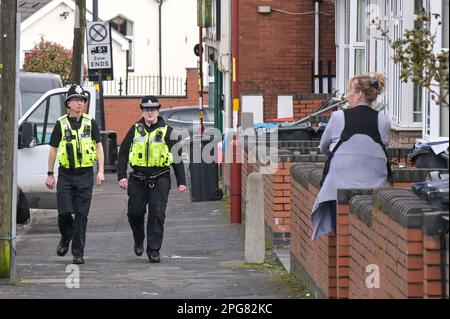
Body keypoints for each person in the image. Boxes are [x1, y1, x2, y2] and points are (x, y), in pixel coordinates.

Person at [311, 73, 392, 240]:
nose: (347, 94)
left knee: (342, 235)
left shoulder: (338, 117)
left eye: (350, 90)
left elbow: (324, 147)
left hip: (339, 188)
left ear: (359, 94)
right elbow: (381, 146)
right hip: (375, 187)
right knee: (369, 237)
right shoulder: (383, 120)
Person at [117, 95, 187, 263]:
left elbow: (176, 157)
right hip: (137, 178)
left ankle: (154, 249)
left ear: (158, 110)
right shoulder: (135, 129)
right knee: (134, 213)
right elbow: (123, 153)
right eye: (147, 110)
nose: (150, 112)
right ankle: (139, 238)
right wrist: (121, 176)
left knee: (157, 213)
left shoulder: (167, 131)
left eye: (153, 109)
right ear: (142, 111)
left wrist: (181, 181)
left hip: (160, 177)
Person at [45, 84, 105, 264]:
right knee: (64, 213)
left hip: (85, 175)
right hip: (66, 175)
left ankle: (78, 252)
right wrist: (50, 174)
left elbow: (99, 147)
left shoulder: (90, 123)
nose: (79, 103)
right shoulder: (61, 124)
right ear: (68, 104)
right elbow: (53, 150)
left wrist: (101, 170)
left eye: (82, 100)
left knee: (81, 215)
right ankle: (65, 237)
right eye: (76, 100)